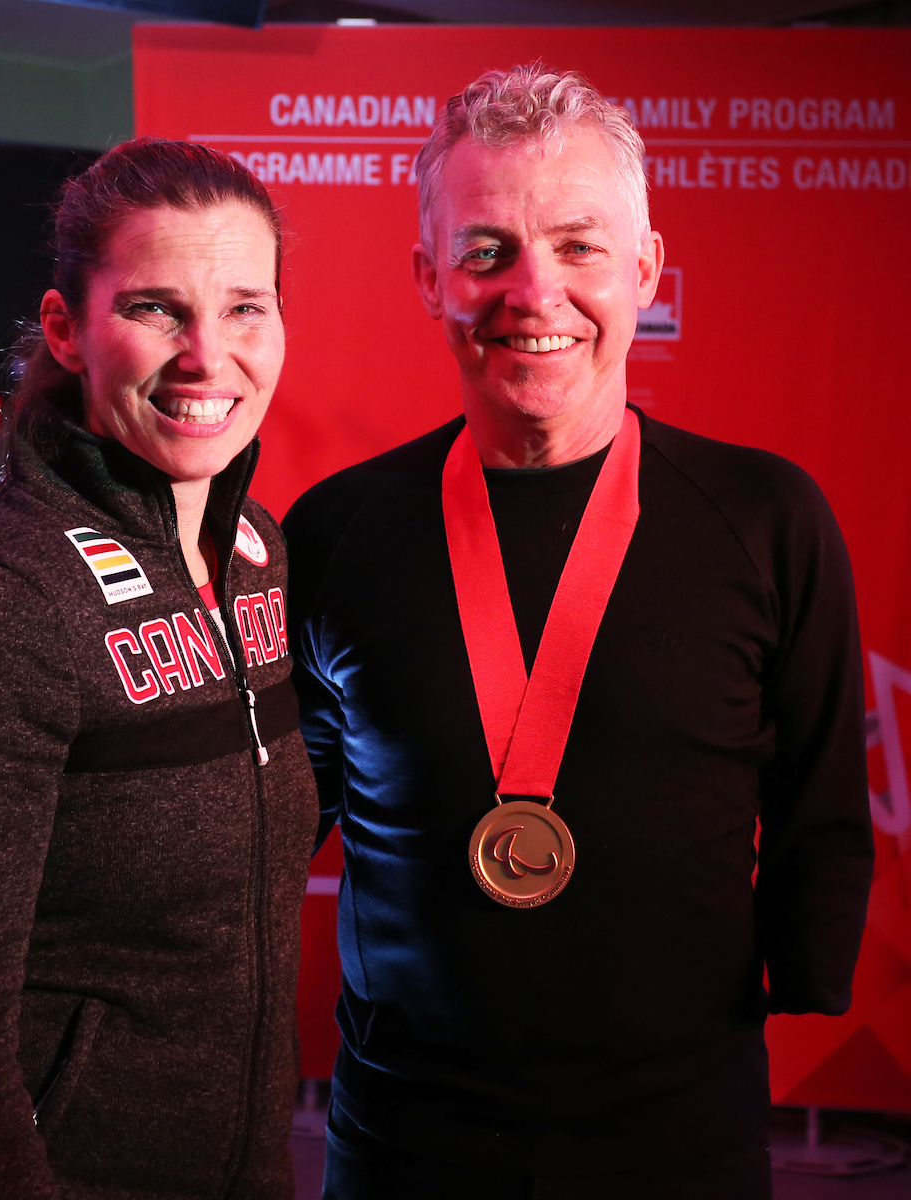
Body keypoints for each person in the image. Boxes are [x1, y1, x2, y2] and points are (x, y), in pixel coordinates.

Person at [283, 65, 874, 1200]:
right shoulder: (337, 531)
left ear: (645, 269)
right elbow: (264, 820)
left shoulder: (765, 518)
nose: (531, 292)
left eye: (578, 246)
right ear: (428, 277)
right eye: (485, 250)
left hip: (677, 1141)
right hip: (403, 1142)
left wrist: (808, 968)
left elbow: (816, 802)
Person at [0, 138, 318, 1200]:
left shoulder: (257, 554)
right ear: (66, 328)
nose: (209, 356)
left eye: (246, 307)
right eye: (157, 308)